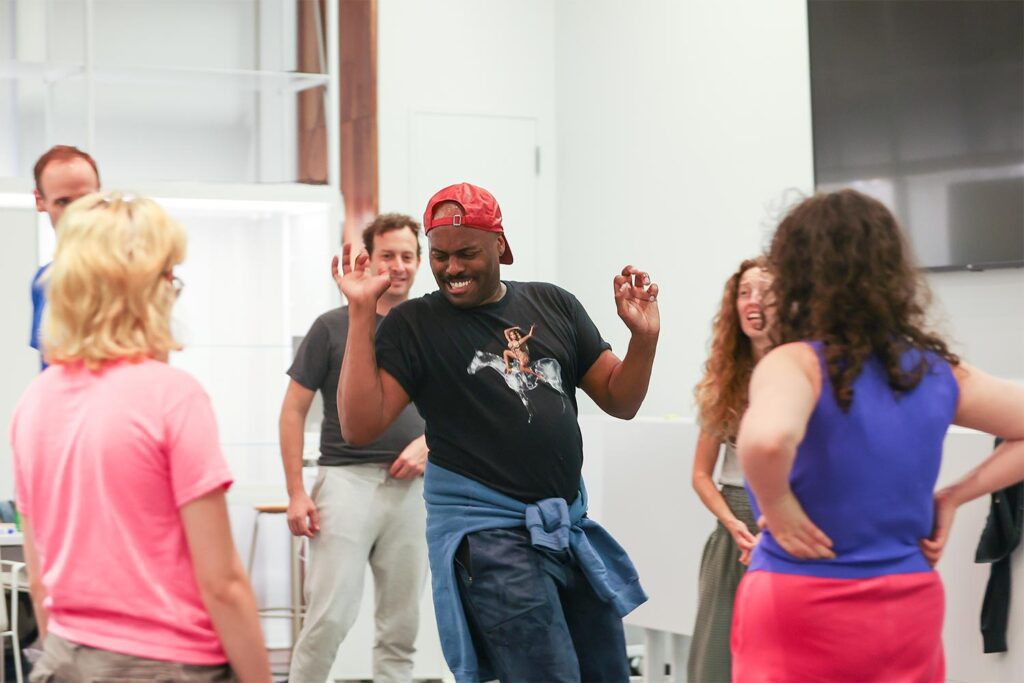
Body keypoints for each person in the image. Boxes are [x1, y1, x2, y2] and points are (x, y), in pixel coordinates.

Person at [331, 182, 658, 682]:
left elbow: (621, 400)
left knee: (607, 672)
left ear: (500, 246)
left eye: (466, 254)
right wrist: (360, 314)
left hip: (565, 525)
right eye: (440, 256)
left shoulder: (554, 304)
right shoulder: (414, 325)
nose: (451, 268)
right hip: (490, 536)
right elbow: (359, 425)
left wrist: (644, 339)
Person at [732, 189, 1024, 682]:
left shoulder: (795, 363)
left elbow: (765, 441)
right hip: (906, 604)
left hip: (799, 600)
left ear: (796, 274)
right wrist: (954, 497)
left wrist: (777, 505)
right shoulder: (938, 371)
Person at [10, 192, 271, 682]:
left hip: (64, 657)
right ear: (144, 288)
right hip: (166, 664)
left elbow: (40, 581)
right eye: (169, 276)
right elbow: (222, 583)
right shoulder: (172, 396)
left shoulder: (34, 402)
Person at [283, 214, 429, 683]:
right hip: (346, 483)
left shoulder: (430, 328)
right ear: (369, 260)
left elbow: (461, 407)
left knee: (401, 627)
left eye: (408, 256)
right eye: (388, 255)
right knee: (328, 619)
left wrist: (429, 444)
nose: (398, 266)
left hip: (414, 492)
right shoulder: (331, 328)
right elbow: (293, 412)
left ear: (419, 262)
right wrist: (296, 493)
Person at [686, 257, 770, 683]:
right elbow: (701, 474)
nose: (754, 301)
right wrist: (732, 523)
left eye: (766, 292)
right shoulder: (725, 383)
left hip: (791, 532)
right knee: (717, 659)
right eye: (744, 292)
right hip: (735, 532)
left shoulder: (811, 374)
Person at [30, 145, 101, 369]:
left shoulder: (131, 275)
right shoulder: (43, 281)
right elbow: (49, 368)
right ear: (40, 200)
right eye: (63, 202)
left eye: (86, 199)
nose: (77, 212)